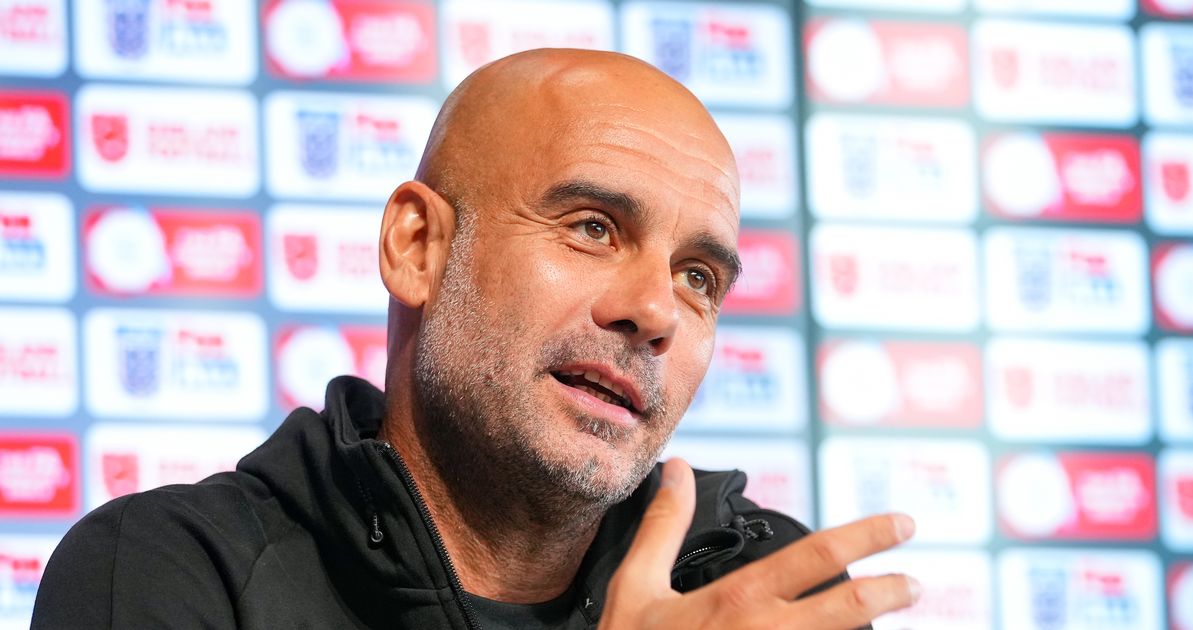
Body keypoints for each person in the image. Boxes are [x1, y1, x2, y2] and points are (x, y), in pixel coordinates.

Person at [32, 49, 919, 629]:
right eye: (593, 228)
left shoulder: (753, 591)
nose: (656, 311)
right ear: (419, 247)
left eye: (699, 278)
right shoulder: (174, 573)